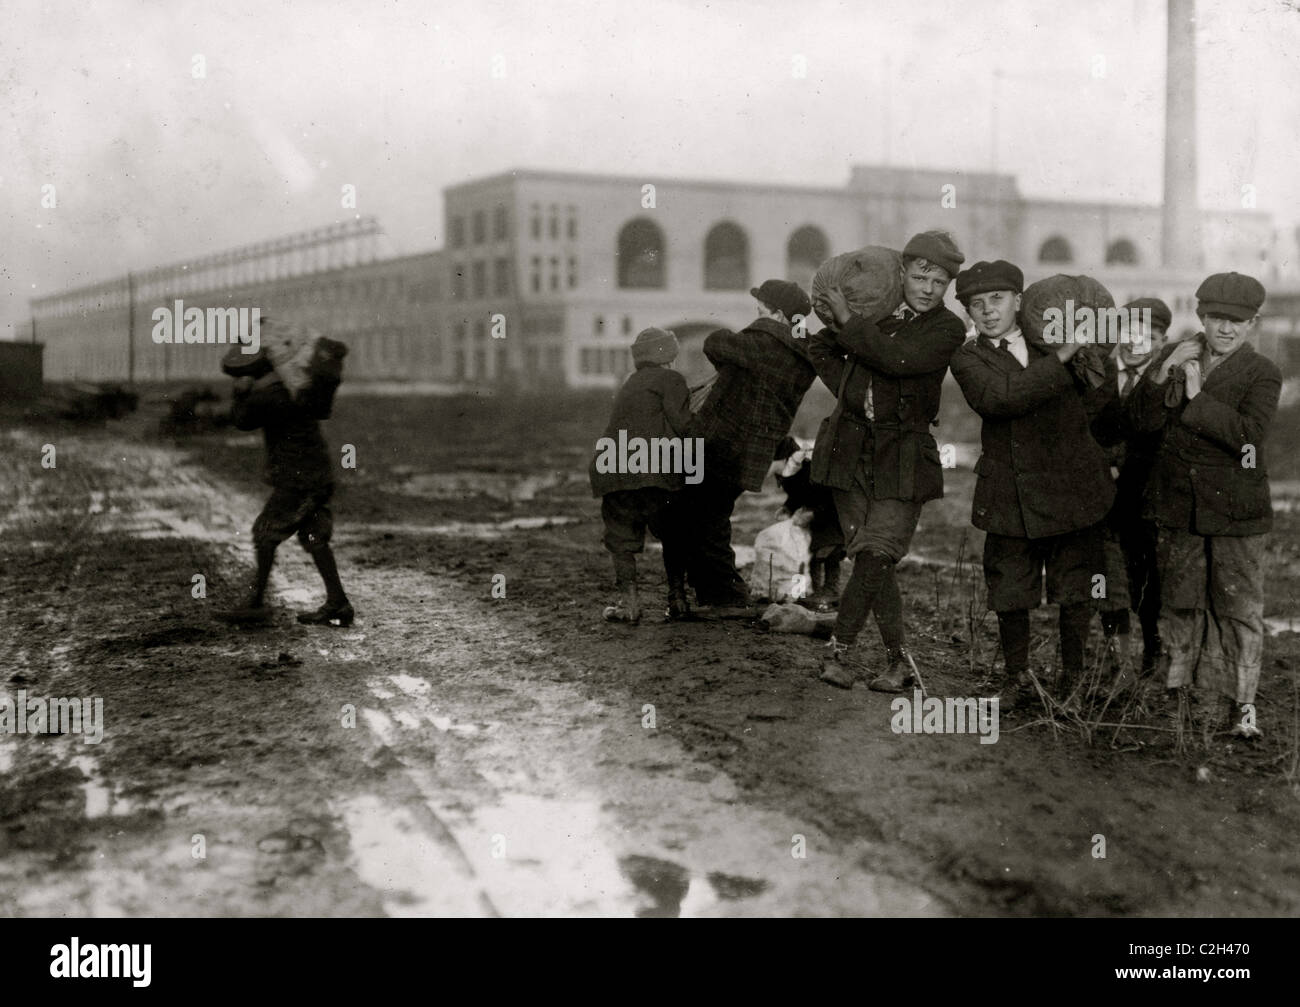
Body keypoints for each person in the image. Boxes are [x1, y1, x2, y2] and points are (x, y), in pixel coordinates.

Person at [948, 260, 1115, 709]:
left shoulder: (1049, 339)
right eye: (976, 304)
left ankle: (1073, 680)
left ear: (1019, 301)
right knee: (1009, 587)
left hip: (1072, 483)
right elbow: (1000, 399)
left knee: (1076, 587)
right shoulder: (969, 357)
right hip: (1011, 490)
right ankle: (1017, 677)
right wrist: (1064, 356)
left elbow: (1101, 400)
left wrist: (1091, 356)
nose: (987, 311)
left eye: (997, 299)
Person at [809, 230, 967, 690]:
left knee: (878, 553)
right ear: (903, 273)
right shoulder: (875, 312)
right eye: (920, 277)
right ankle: (900, 664)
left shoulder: (946, 328)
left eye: (939, 283)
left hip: (904, 456)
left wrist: (850, 327)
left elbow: (898, 360)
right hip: (850, 450)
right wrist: (853, 390)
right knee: (868, 559)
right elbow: (819, 345)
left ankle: (837, 652)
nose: (928, 289)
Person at [1126, 273, 1279, 737]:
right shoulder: (1178, 357)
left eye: (1237, 321)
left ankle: (1242, 711)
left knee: (1237, 609)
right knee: (1180, 604)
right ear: (1201, 317)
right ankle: (1178, 702)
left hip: (1237, 512)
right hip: (1178, 508)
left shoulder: (1261, 372)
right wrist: (1161, 370)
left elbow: (1249, 438)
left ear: (1253, 322)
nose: (1225, 330)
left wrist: (1196, 397)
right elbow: (1139, 423)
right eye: (1217, 319)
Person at [683, 279, 817, 609]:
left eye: (763, 309)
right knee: (710, 514)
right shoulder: (803, 354)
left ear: (781, 316)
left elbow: (715, 343)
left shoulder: (762, 342)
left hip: (723, 442)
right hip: (755, 448)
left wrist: (763, 326)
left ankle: (727, 596)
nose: (757, 314)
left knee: (705, 516)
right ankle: (712, 590)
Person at [217, 348, 353, 627]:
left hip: (299, 481)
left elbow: (241, 420)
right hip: (317, 476)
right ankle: (338, 602)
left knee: (265, 533)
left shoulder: (271, 396)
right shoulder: (292, 387)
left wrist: (240, 393)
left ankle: (255, 605)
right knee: (315, 536)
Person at [1087, 298, 1171, 682]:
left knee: (1146, 576)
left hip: (1145, 497)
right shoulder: (1095, 371)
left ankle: (1153, 653)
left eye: (1150, 336)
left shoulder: (1169, 379)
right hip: (1099, 493)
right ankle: (1115, 659)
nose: (1139, 343)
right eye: (1131, 333)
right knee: (1103, 575)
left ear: (1162, 340)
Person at [588, 327, 693, 623]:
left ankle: (630, 604)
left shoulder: (629, 382)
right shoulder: (672, 379)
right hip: (655, 471)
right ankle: (677, 599)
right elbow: (684, 425)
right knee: (673, 533)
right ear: (668, 356)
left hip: (614, 469)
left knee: (620, 537)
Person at [771, 436, 844, 610]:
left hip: (832, 515)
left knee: (829, 551)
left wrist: (813, 513)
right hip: (816, 517)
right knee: (810, 555)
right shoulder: (789, 472)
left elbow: (830, 496)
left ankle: (831, 590)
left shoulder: (809, 468)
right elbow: (798, 494)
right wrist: (788, 507)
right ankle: (813, 590)